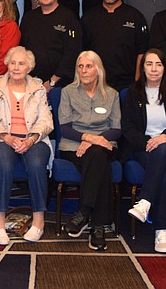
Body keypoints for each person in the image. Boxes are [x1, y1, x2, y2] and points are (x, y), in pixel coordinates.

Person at [121, 49, 166, 254]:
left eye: (158, 64)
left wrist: (165, 137)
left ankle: (145, 202)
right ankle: (161, 229)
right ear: (142, 67)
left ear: (165, 68)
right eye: (149, 64)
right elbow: (128, 128)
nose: (154, 69)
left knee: (162, 151)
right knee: (161, 166)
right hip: (144, 146)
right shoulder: (133, 92)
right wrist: (148, 141)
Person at [0, 46, 52, 244]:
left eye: (21, 64)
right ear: (7, 64)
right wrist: (6, 136)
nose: (16, 67)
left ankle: (38, 221)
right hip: (1, 138)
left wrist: (31, 139)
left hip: (34, 138)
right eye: (12, 63)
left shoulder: (38, 89)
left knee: (37, 163)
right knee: (3, 162)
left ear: (29, 67)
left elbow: (46, 121)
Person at [59, 51, 121, 252]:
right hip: (73, 146)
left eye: (89, 66)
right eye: (80, 66)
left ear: (98, 69)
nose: (84, 70)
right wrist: (89, 138)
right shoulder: (67, 92)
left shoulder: (112, 94)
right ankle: (98, 226)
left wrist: (97, 140)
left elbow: (117, 129)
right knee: (100, 162)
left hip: (104, 144)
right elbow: (65, 128)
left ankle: (84, 212)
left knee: (97, 155)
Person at [17, 0, 82, 87]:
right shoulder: (29, 17)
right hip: (30, 83)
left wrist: (53, 81)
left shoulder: (69, 18)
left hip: (60, 84)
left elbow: (72, 52)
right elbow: (22, 49)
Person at [81, 0, 148, 91]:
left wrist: (137, 82)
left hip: (127, 85)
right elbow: (82, 52)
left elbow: (141, 52)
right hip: (96, 84)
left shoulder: (135, 16)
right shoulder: (88, 18)